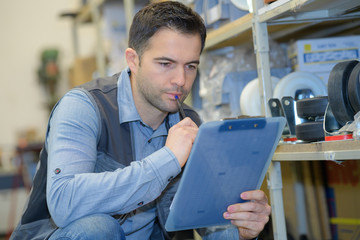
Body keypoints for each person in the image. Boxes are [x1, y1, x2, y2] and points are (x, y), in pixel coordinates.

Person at [10, 1, 271, 240]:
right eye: (166, 63)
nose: (180, 80)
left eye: (190, 66)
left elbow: (205, 224)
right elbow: (64, 203)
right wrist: (168, 159)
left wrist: (241, 229)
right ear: (133, 60)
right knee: (98, 230)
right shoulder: (83, 107)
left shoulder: (188, 123)